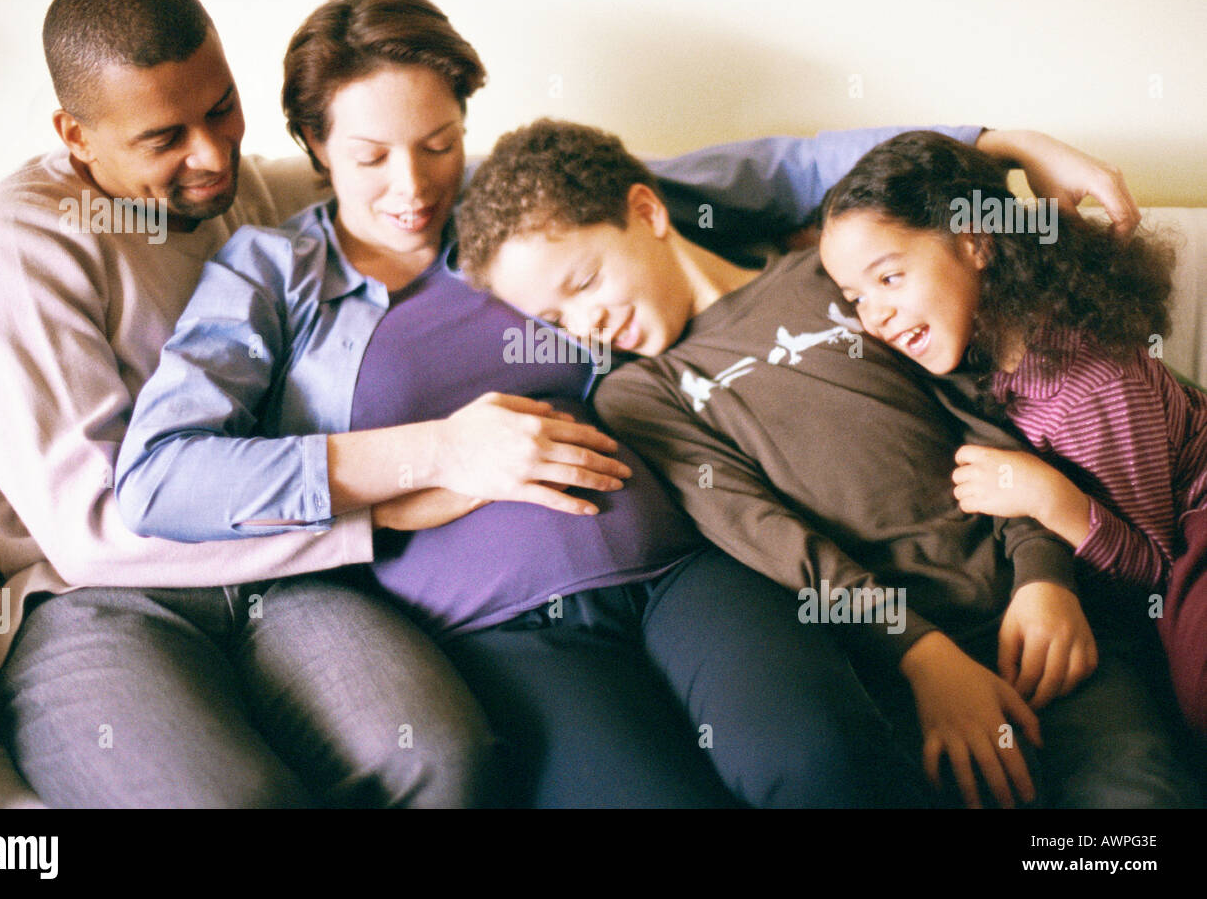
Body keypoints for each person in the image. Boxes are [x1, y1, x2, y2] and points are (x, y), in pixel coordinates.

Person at [110, 0, 1111, 808]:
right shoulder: (272, 272)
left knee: (817, 766)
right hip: (503, 631)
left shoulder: (528, 217)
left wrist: (1004, 143)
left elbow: (787, 168)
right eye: (370, 157)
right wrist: (440, 453)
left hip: (686, 565)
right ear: (313, 147)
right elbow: (160, 480)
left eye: (439, 142)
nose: (413, 187)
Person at [453, 117, 1202, 807]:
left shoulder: (838, 276)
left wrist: (1045, 576)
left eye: (583, 283)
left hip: (1039, 612)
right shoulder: (641, 395)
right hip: (904, 661)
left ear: (648, 213)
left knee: (1130, 810)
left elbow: (986, 415)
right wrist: (922, 655)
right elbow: (776, 540)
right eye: (555, 320)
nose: (588, 323)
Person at [0, 0, 499, 807]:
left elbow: (398, 178)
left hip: (280, 588)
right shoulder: (11, 248)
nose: (212, 156)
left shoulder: (249, 194)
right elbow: (93, 530)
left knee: (442, 757)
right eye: (164, 139)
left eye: (221, 106)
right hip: (94, 602)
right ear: (76, 135)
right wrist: (373, 510)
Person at [816, 129, 1207, 742]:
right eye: (855, 297)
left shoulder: (1088, 390)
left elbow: (1153, 572)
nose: (874, 316)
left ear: (974, 243)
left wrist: (1051, 500)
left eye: (889, 279)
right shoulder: (977, 349)